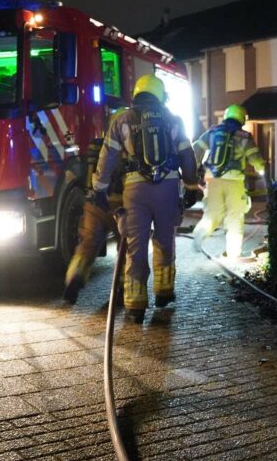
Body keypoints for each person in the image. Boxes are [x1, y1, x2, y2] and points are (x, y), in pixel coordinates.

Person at [93, 74, 199, 322]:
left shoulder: (122, 119)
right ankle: (164, 292)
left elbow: (107, 156)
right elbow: (187, 156)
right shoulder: (173, 119)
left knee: (135, 246)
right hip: (168, 188)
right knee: (164, 240)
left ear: (137, 94)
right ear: (160, 95)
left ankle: (135, 306)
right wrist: (191, 185)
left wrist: (99, 188)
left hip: (135, 190)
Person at [62, 111, 125, 304]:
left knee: (87, 245)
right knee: (127, 247)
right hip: (119, 205)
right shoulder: (128, 147)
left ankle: (74, 277)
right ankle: (122, 288)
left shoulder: (96, 145)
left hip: (94, 204)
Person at [191, 104, 265, 260]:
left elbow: (196, 149)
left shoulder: (212, 132)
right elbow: (255, 158)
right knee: (235, 216)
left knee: (213, 213)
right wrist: (260, 168)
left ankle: (199, 234)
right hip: (234, 181)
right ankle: (233, 253)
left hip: (212, 179)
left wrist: (193, 170)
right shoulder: (244, 136)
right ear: (242, 118)